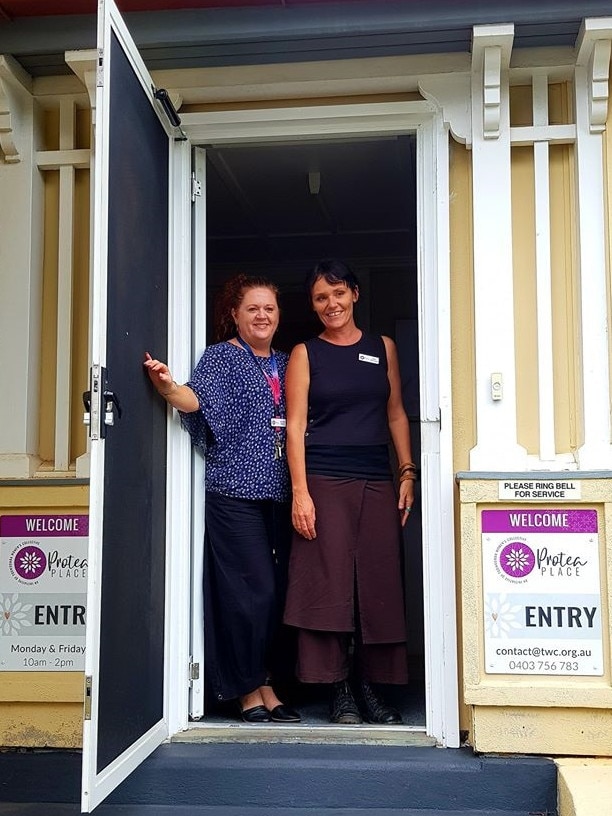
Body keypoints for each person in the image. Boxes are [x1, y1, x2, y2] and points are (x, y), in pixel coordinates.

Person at [144, 274, 300, 724]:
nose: (262, 316)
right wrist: (168, 387)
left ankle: (267, 681)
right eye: (252, 308)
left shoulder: (289, 362)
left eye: (269, 308)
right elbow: (197, 400)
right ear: (234, 314)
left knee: (278, 596)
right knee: (250, 595)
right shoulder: (220, 358)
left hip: (284, 493)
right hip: (235, 492)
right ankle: (246, 689)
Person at [284, 258, 415, 725]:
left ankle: (370, 688)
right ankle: (338, 689)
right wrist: (301, 492)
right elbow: (295, 427)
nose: (331, 304)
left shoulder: (383, 348)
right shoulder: (305, 353)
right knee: (330, 584)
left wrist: (407, 471)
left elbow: (396, 413)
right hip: (323, 479)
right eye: (321, 297)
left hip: (376, 480)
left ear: (355, 294)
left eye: (338, 293)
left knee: (375, 584)